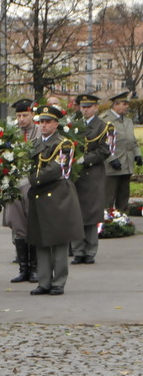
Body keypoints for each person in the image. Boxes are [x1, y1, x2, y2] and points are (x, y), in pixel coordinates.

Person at [27, 104, 82, 296]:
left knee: (59, 240)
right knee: (41, 240)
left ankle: (58, 281)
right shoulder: (34, 143)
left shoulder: (64, 144)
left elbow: (57, 169)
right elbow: (27, 163)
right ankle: (44, 282)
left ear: (56, 124)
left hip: (57, 194)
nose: (43, 125)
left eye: (48, 121)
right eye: (41, 121)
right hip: (39, 194)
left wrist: (33, 178)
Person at [71, 94, 113, 265]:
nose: (85, 110)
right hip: (76, 174)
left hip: (92, 173)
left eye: (89, 107)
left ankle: (90, 251)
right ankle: (77, 251)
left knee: (91, 213)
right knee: (75, 213)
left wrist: (85, 159)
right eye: (83, 107)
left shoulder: (103, 126)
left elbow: (105, 150)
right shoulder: (74, 125)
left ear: (96, 107)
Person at [3, 98, 41, 283]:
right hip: (15, 183)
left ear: (32, 114)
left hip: (32, 183)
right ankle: (23, 268)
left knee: (33, 223)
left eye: (25, 115)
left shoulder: (39, 132)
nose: (21, 119)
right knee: (18, 225)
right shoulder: (10, 134)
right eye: (18, 116)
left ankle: (35, 268)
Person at [102, 91, 142, 212]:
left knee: (123, 196)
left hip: (126, 164)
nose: (127, 106)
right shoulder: (104, 120)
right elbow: (102, 144)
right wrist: (111, 159)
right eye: (124, 104)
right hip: (111, 166)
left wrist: (137, 154)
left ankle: (123, 219)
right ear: (115, 104)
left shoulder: (128, 120)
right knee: (108, 197)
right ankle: (107, 220)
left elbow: (132, 140)